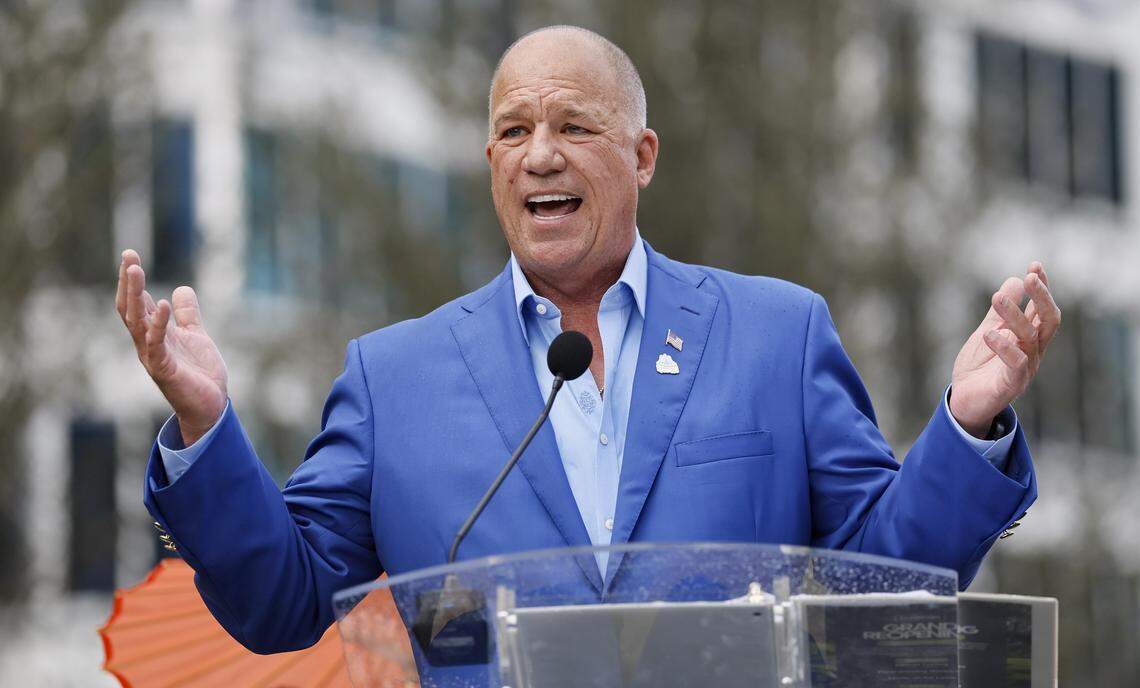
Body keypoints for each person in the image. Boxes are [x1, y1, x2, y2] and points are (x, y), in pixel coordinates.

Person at [116, 26, 1060, 655]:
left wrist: (966, 424)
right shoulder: (391, 378)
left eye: (574, 124)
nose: (539, 154)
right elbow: (281, 603)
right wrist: (206, 426)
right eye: (513, 130)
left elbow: (883, 581)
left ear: (642, 157)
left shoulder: (778, 334)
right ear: (491, 165)